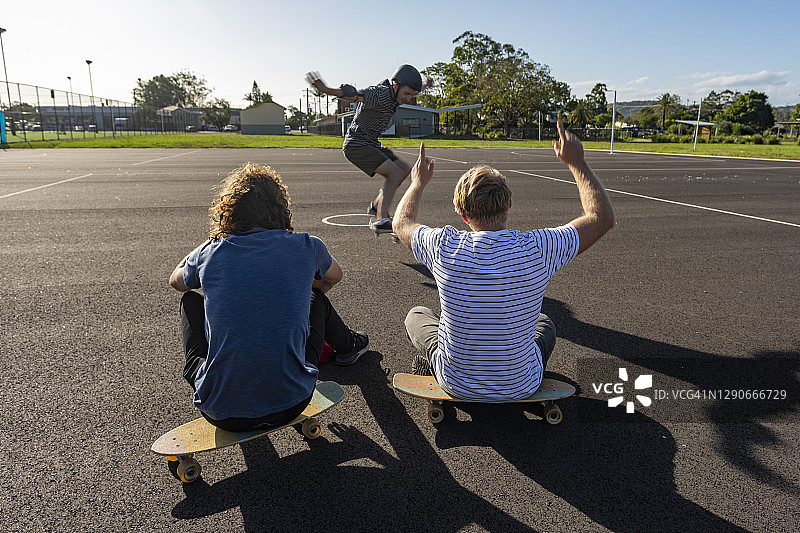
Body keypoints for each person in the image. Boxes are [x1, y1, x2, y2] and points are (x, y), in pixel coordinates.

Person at [392, 121, 615, 401]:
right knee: (545, 323)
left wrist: (417, 184)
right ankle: (511, 369)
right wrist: (578, 163)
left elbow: (401, 223)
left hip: (456, 382)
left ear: (463, 215)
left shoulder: (443, 245)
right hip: (521, 384)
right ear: (509, 203)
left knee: (417, 315)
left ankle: (444, 365)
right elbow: (601, 217)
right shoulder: (539, 247)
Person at [168, 163, 370, 432]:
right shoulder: (307, 246)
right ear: (280, 210)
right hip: (293, 401)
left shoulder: (210, 253)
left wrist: (205, 248)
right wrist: (297, 287)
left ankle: (220, 377)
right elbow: (335, 275)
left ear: (228, 212)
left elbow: (176, 281)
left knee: (190, 301)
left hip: (221, 410)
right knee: (316, 298)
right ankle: (348, 346)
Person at [305, 65, 432, 234]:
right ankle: (381, 219)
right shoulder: (379, 94)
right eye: (406, 94)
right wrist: (326, 89)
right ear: (395, 86)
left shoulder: (398, 92)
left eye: (412, 95)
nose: (408, 99)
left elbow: (412, 88)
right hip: (357, 144)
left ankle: (378, 205)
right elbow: (353, 94)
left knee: (404, 169)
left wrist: (424, 84)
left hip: (370, 142)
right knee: (393, 173)